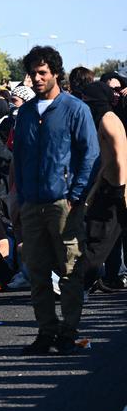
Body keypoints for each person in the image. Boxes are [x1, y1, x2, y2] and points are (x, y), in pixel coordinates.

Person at [13, 46, 99, 355]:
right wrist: (20, 197)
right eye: (33, 73)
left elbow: (90, 154)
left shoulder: (76, 109)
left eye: (42, 73)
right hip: (32, 203)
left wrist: (76, 195)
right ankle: (45, 332)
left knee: (69, 271)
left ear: (56, 74)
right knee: (37, 271)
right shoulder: (24, 113)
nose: (37, 79)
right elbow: (19, 157)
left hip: (64, 203)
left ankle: (69, 330)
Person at [75, 81, 127, 289]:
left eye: (87, 100)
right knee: (97, 238)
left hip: (117, 190)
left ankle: (75, 282)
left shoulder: (108, 120)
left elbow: (121, 158)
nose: (84, 104)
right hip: (108, 187)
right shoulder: (101, 120)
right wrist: (95, 189)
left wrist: (122, 192)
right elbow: (105, 161)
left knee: (99, 240)